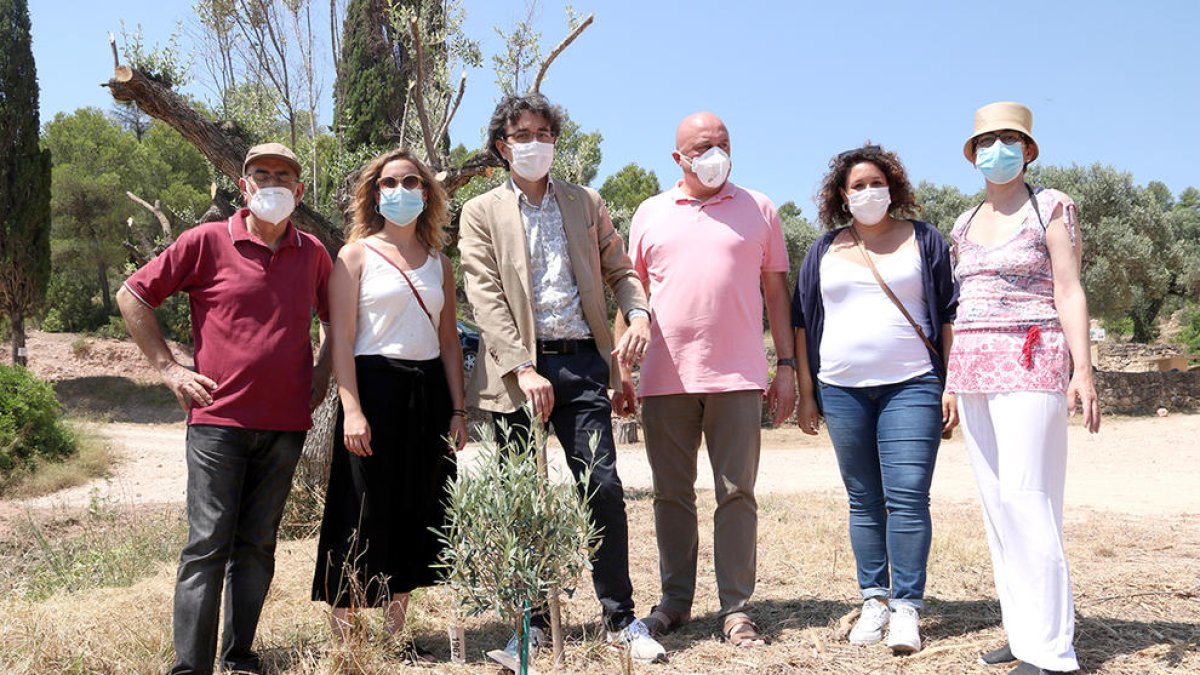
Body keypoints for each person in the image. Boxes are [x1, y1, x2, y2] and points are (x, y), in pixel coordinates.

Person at [458, 93, 666, 664]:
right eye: (523, 135)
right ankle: (525, 627)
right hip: (512, 375)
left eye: (544, 133)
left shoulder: (586, 202)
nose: (535, 143)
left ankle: (620, 620)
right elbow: (484, 295)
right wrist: (523, 365)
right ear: (503, 146)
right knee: (519, 498)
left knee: (602, 487)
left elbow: (620, 272)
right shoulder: (480, 212)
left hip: (581, 365)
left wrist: (641, 312)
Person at [116, 143, 331, 675]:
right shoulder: (206, 241)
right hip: (217, 423)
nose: (273, 183)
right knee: (207, 545)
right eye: (262, 175)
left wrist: (322, 378)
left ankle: (240, 657)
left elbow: (335, 321)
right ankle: (191, 668)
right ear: (244, 186)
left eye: (284, 176)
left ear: (300, 191)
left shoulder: (315, 254)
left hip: (285, 425)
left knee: (258, 545)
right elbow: (133, 295)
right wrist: (168, 368)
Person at [617, 111, 796, 649]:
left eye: (722, 143)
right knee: (671, 495)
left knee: (737, 493)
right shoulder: (649, 212)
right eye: (702, 145)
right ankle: (674, 602)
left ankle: (737, 608)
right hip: (663, 378)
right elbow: (631, 296)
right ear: (679, 158)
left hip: (739, 377)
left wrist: (785, 367)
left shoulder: (759, 208)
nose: (715, 152)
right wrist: (618, 368)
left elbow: (776, 295)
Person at [950, 102, 1100, 675]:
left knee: (1029, 500)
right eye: (986, 141)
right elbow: (963, 304)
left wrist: (1081, 370)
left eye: (1009, 139)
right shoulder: (962, 224)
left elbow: (1069, 290)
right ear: (973, 155)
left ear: (1029, 149)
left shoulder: (1051, 207)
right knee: (996, 506)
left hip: (1033, 360)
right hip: (972, 367)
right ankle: (1022, 631)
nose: (997, 149)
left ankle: (1052, 652)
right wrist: (948, 381)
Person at [791, 143, 958, 654]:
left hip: (913, 384)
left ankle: (907, 607)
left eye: (875, 183)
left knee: (907, 495)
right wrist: (806, 391)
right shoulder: (824, 249)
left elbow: (948, 313)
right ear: (842, 195)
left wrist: (950, 382)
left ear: (893, 188)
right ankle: (874, 600)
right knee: (864, 500)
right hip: (841, 389)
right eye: (857, 185)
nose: (868, 192)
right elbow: (801, 323)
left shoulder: (925, 240)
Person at [311, 149, 466, 660]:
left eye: (412, 181)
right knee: (357, 509)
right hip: (372, 388)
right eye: (390, 181)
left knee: (416, 506)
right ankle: (346, 640)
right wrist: (352, 410)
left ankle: (396, 637)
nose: (401, 189)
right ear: (376, 193)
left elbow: (449, 342)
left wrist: (459, 410)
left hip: (428, 393)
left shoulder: (441, 264)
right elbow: (342, 339)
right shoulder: (354, 256)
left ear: (427, 193)